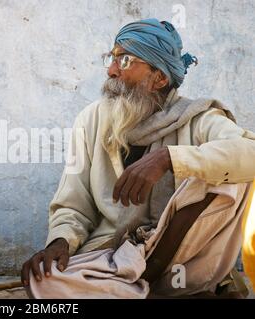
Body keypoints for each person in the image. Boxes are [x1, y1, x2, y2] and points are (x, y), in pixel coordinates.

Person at [21, 18, 255, 298]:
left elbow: (250, 153)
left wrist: (169, 158)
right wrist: (60, 242)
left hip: (184, 262)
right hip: (115, 259)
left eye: (125, 60)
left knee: (229, 174)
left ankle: (156, 282)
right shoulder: (91, 120)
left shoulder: (199, 118)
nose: (111, 71)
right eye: (111, 58)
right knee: (44, 282)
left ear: (160, 78)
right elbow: (73, 202)